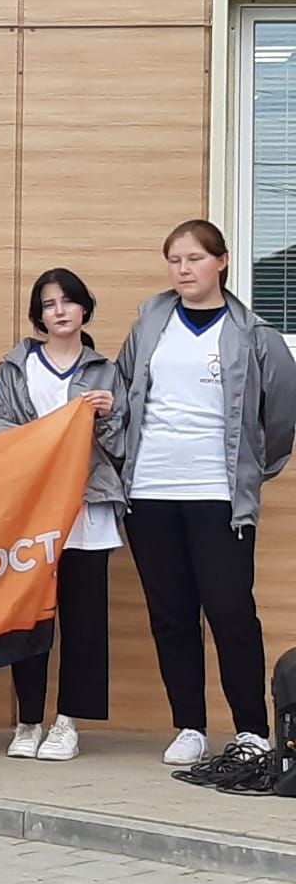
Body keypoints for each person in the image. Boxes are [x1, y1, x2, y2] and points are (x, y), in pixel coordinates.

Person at [117, 220, 296, 768]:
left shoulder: (252, 334)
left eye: (194, 258)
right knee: (171, 614)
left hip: (217, 495)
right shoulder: (150, 322)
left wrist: (249, 473)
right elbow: (126, 391)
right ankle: (189, 725)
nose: (183, 270)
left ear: (221, 262)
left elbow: (282, 415)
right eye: (174, 260)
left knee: (230, 611)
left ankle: (251, 729)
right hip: (149, 492)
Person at [0, 268, 125, 762]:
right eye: (48, 304)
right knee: (29, 614)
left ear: (85, 308)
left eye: (68, 301)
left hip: (88, 511)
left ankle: (68, 721)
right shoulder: (18, 367)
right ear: (37, 314)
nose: (59, 311)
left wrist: (108, 418)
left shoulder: (107, 371)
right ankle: (28, 720)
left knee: (84, 621)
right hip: (32, 510)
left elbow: (124, 443)